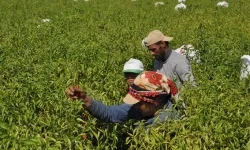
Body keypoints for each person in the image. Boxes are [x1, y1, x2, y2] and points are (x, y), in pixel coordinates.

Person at [67, 71, 179, 126]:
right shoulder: (139, 108)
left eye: (138, 102)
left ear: (155, 102)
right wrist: (84, 98)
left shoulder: (168, 121)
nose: (135, 105)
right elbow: (110, 113)